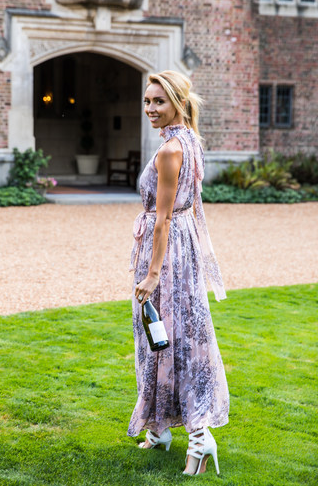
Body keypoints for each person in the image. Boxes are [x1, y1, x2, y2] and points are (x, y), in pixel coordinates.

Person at [127, 70, 229, 476]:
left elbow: (164, 219)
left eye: (159, 102)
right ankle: (159, 430)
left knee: (167, 341)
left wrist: (152, 275)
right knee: (175, 337)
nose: (151, 109)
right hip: (180, 252)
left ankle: (200, 440)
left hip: (166, 256)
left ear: (178, 103)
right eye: (147, 102)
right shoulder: (190, 140)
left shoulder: (171, 149)